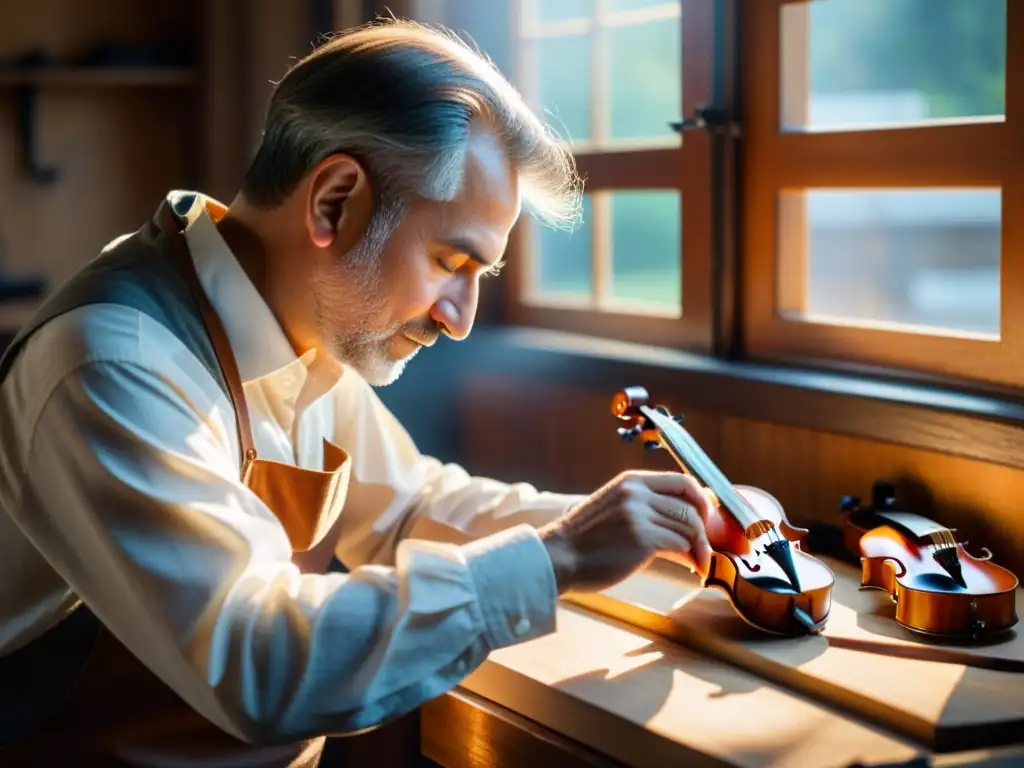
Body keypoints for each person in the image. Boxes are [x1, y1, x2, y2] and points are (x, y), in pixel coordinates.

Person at [0, 18, 712, 766]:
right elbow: (258, 665)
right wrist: (556, 559)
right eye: (449, 260)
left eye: (481, 276)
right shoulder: (116, 365)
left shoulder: (295, 326)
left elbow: (408, 508)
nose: (460, 318)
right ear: (334, 201)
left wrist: (642, 525)